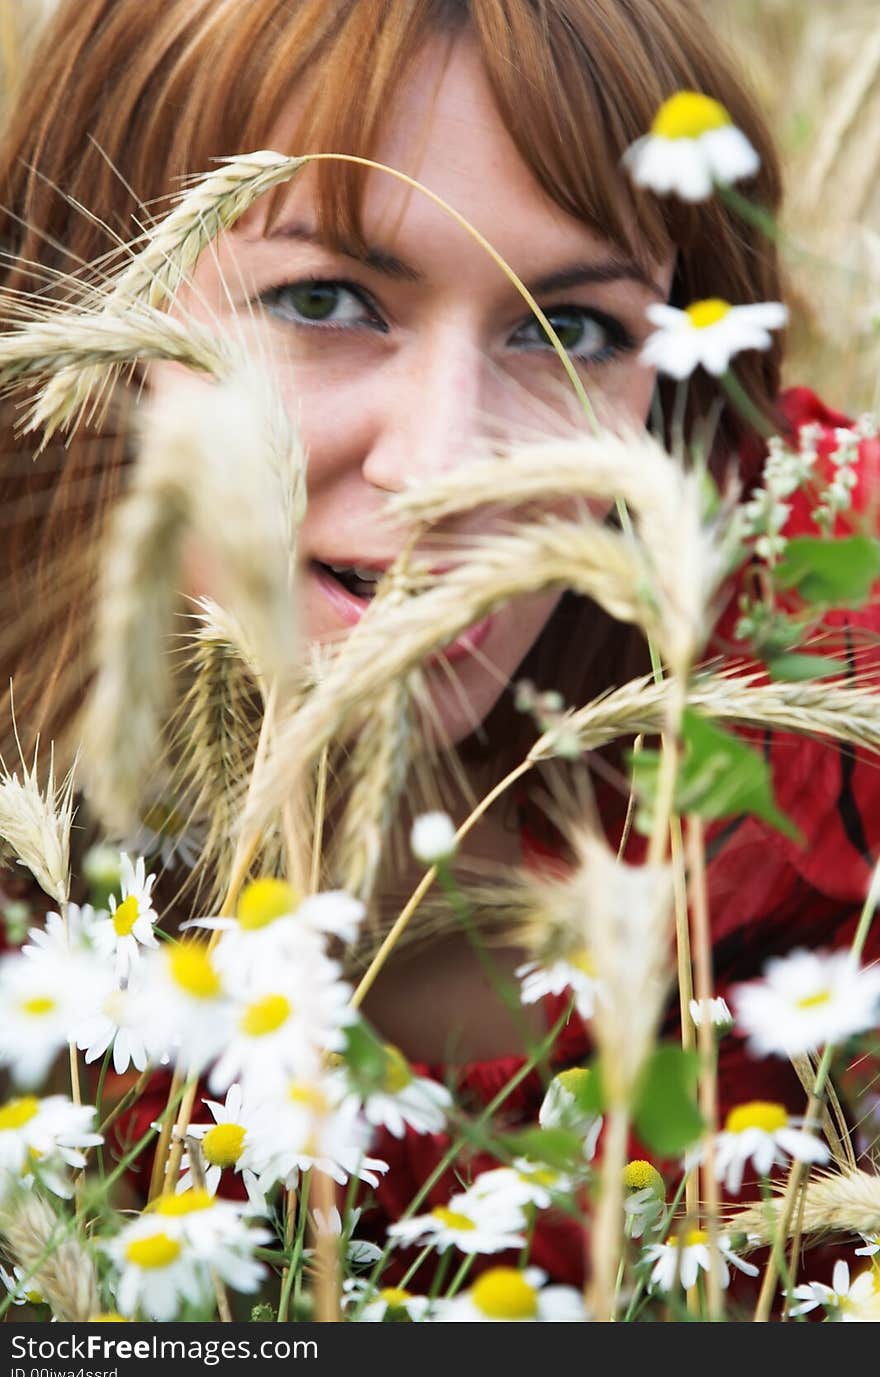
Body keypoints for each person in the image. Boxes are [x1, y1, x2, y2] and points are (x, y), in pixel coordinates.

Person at [0, 0, 877, 1302]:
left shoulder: (819, 648)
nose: (446, 468)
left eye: (568, 331)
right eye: (325, 300)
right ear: (95, 318)